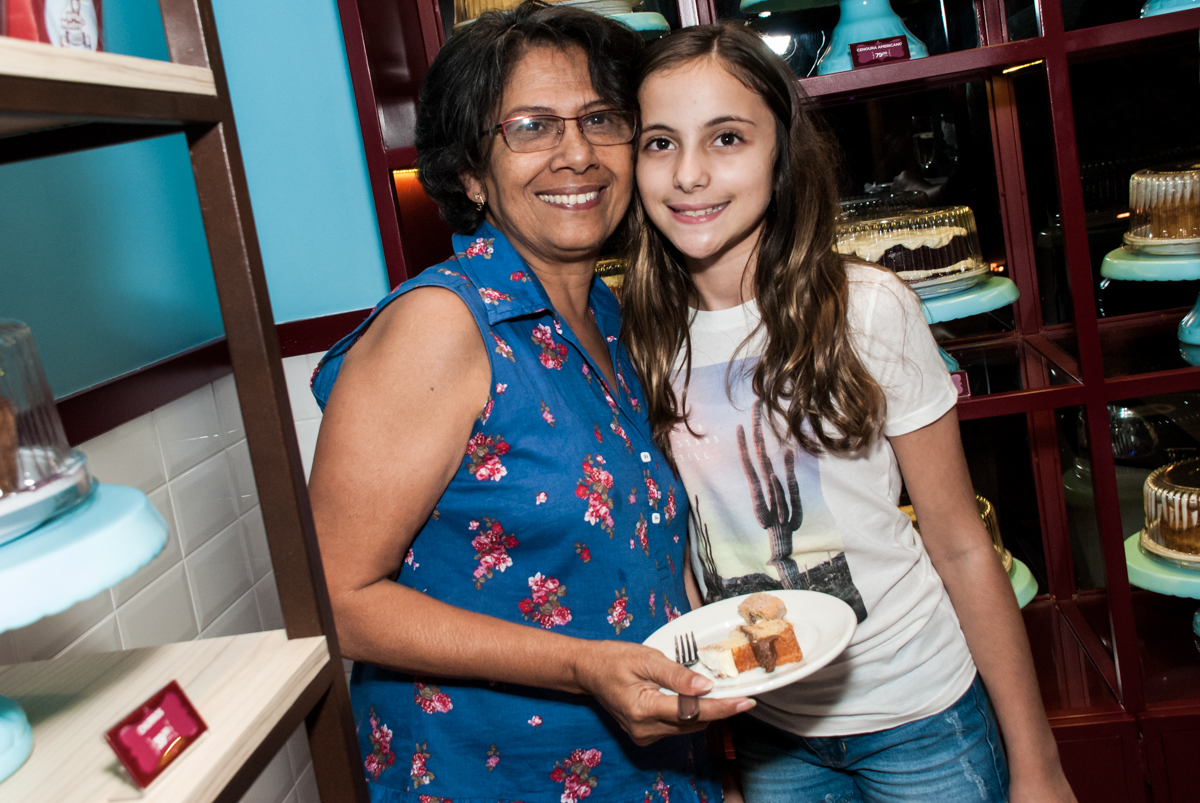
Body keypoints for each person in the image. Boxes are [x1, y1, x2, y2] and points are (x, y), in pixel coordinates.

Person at [621, 23, 1078, 803]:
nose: (690, 174)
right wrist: (721, 747)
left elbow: (960, 542)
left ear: (781, 153)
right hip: (771, 732)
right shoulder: (638, 333)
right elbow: (689, 552)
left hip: (921, 711)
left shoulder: (866, 307)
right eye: (660, 143)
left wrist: (1039, 764)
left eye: (726, 137)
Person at [306, 4, 744, 801]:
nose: (576, 154)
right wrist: (580, 665)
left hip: (644, 768)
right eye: (532, 127)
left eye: (601, 120)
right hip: (492, 776)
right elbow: (335, 599)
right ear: (470, 171)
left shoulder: (605, 317)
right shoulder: (443, 324)